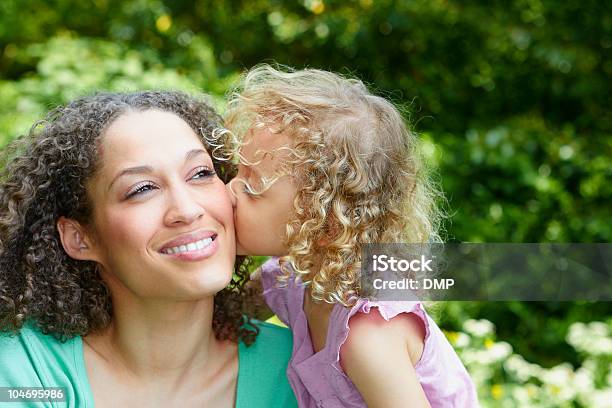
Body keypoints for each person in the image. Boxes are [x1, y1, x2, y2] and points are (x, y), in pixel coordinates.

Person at [0, 91, 297, 407]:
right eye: (142, 189)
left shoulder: (302, 368)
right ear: (79, 237)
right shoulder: (27, 375)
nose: (187, 209)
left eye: (201, 173)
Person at [225, 65, 479, 407]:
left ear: (324, 224)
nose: (227, 192)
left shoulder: (367, 336)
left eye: (251, 188)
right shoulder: (291, 276)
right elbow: (222, 316)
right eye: (236, 172)